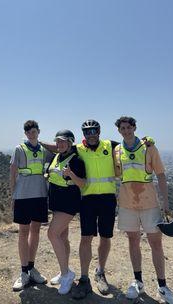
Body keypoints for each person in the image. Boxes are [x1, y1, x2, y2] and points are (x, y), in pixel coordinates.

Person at [114, 116, 173, 304]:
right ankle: (138, 281)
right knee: (133, 241)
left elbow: (161, 174)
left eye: (128, 127)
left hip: (149, 203)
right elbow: (117, 174)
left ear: (134, 128)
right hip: (127, 204)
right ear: (119, 131)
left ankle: (162, 286)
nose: (126, 131)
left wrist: (165, 202)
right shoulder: (117, 150)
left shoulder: (149, 147)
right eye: (122, 128)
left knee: (156, 243)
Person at [71, 119, 119, 299]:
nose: (91, 135)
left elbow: (131, 146)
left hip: (107, 199)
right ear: (84, 134)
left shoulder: (111, 145)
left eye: (94, 131)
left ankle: (100, 272)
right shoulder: (78, 148)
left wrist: (147, 141)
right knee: (85, 238)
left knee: (105, 237)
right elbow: (59, 146)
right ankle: (84, 278)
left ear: (99, 131)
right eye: (87, 132)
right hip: (88, 199)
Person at [10, 120, 52, 291]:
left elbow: (60, 149)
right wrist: (12, 196)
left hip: (40, 195)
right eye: (29, 132)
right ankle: (24, 272)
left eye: (34, 131)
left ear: (38, 132)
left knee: (35, 232)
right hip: (23, 196)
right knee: (23, 233)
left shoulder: (44, 151)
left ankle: (32, 267)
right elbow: (13, 173)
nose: (31, 134)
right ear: (25, 133)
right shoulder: (19, 149)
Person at [47, 129, 86, 295]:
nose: (60, 144)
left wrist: (71, 174)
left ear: (70, 143)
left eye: (63, 141)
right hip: (56, 203)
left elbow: (83, 184)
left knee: (52, 234)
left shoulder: (76, 160)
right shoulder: (56, 156)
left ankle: (66, 275)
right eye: (58, 141)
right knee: (63, 237)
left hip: (68, 204)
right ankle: (65, 269)